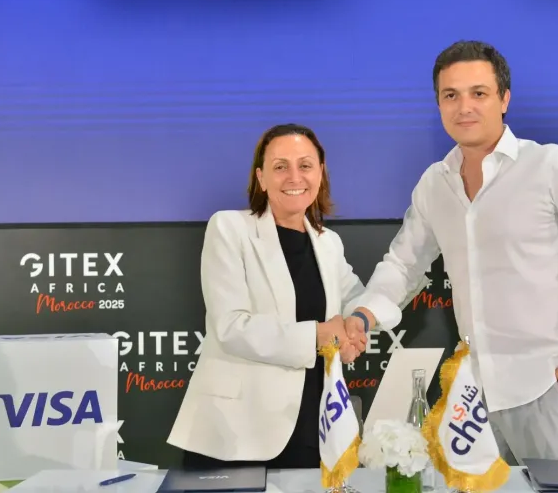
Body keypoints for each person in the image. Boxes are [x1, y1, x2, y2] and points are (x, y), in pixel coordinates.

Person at [348, 41, 558, 464]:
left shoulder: (550, 166)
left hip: (548, 389)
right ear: (438, 104)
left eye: (479, 93)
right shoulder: (435, 184)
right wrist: (363, 316)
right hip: (472, 400)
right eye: (451, 95)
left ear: (504, 99)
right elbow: (404, 264)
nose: (464, 106)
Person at [167, 124, 401, 469]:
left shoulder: (328, 243)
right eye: (280, 167)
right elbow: (231, 327)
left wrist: (358, 322)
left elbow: (360, 298)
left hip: (314, 426)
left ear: (320, 174)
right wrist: (319, 335)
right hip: (235, 433)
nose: (294, 177)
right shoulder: (229, 228)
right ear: (261, 178)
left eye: (305, 165)